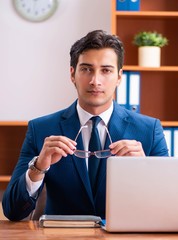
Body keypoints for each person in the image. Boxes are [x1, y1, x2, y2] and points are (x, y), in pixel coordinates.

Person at [2, 30, 168, 221]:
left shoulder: (149, 130)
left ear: (119, 77)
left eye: (106, 70)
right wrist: (39, 166)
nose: (95, 81)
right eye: (86, 69)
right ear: (73, 74)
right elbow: (12, 211)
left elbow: (168, 208)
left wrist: (146, 169)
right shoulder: (41, 129)